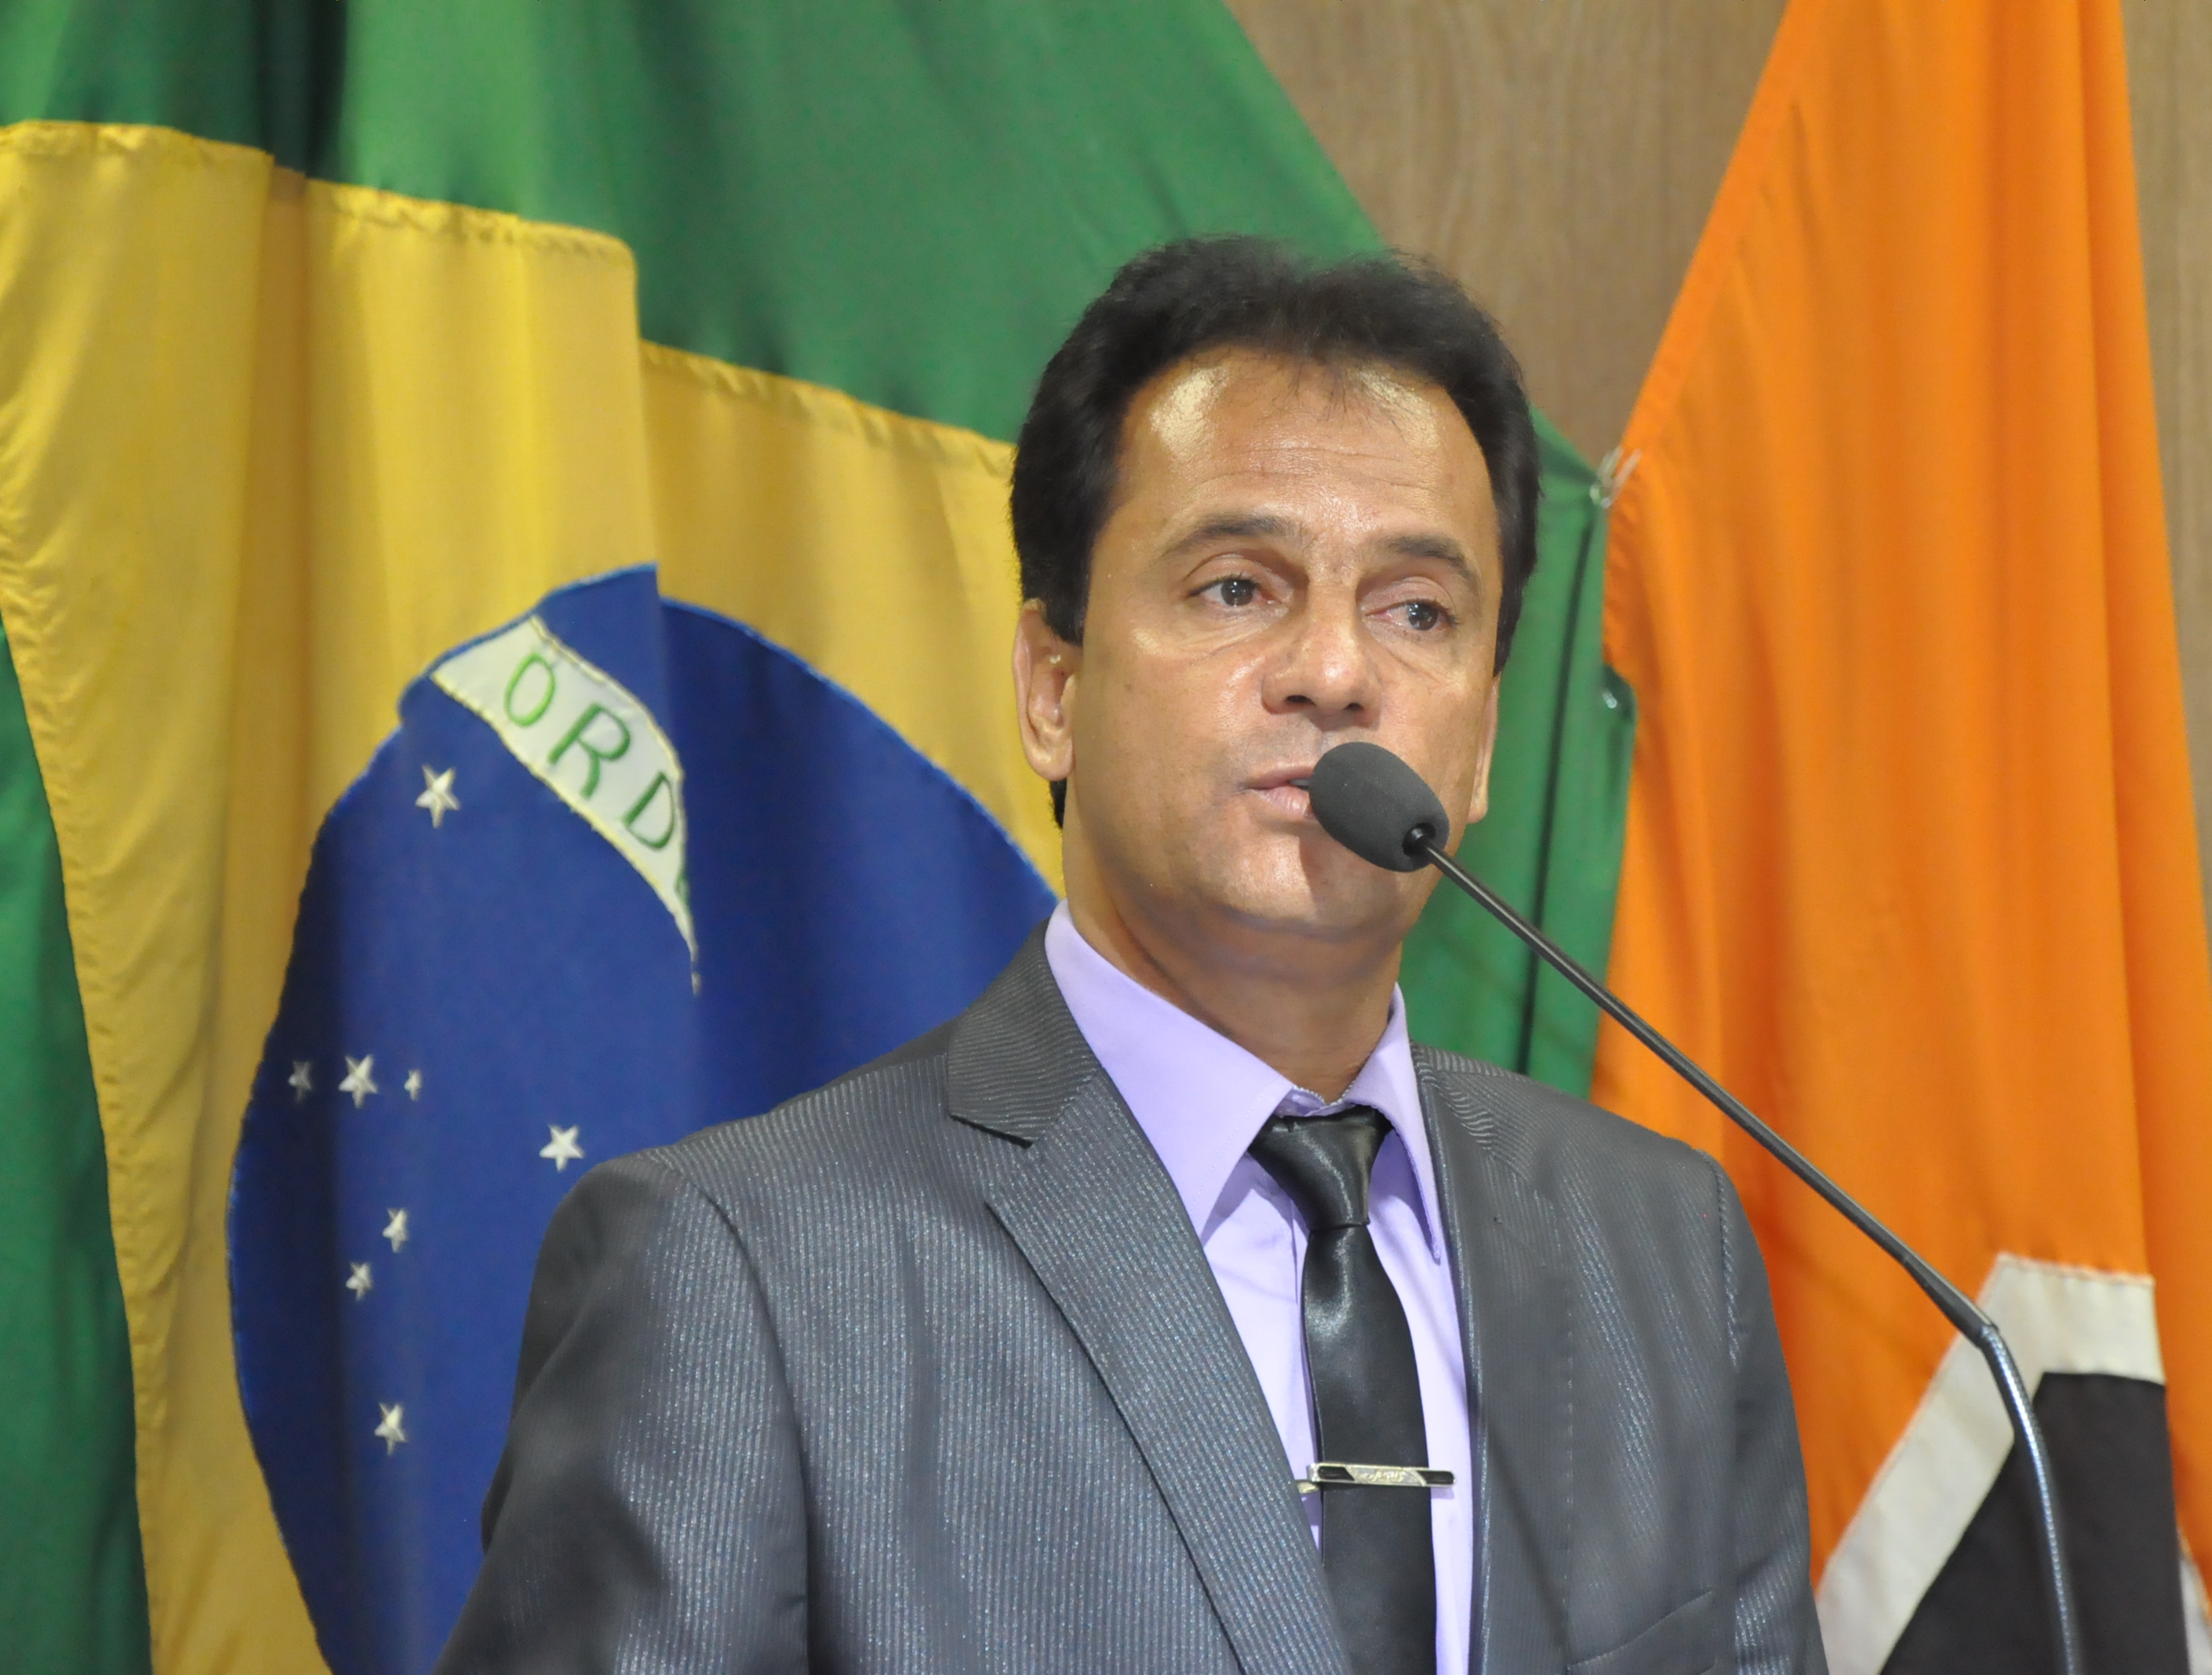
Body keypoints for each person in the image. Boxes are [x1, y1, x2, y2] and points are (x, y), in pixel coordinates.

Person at [440, 237, 1825, 1675]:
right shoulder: (742, 1278)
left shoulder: (1664, 1252)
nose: (1335, 671)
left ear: (1478, 742)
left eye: (1418, 610)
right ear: (1054, 689)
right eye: (1237, 588)